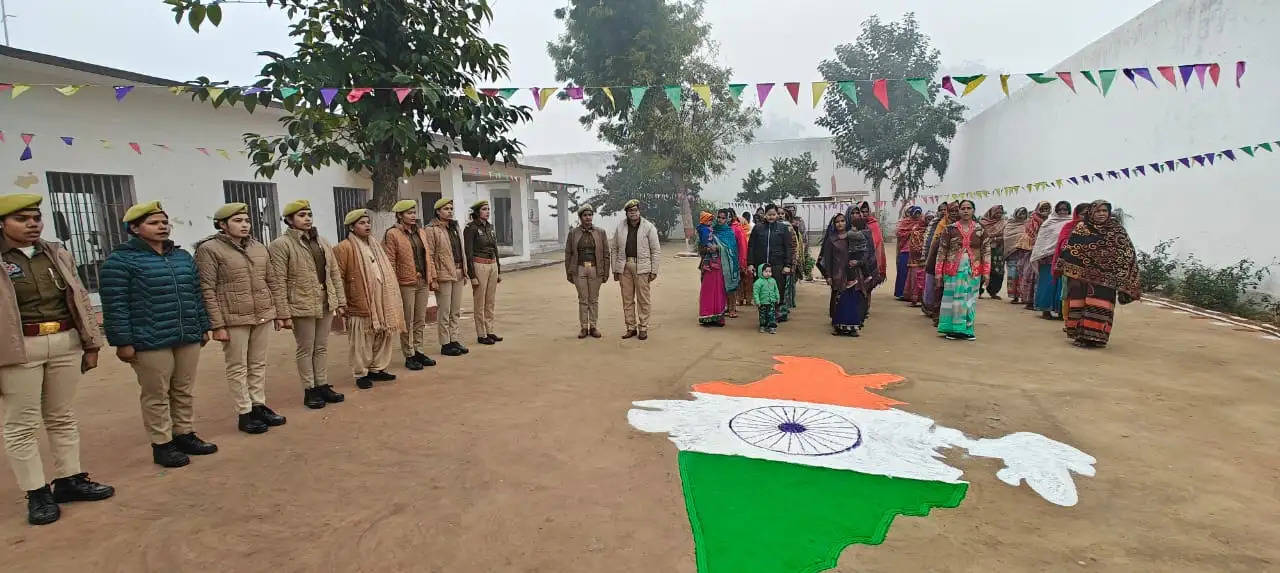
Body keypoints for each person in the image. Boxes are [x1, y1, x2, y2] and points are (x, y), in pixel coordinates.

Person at [0, 194, 114, 526]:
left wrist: (91, 343)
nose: (33, 223)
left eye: (36, 217)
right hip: (17, 348)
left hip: (64, 341)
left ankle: (69, 479)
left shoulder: (55, 253)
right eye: (22, 218)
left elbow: (77, 296)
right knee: (21, 424)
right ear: (2, 223)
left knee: (61, 415)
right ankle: (36, 492)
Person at [100, 201, 216, 468]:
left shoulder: (181, 256)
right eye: (154, 223)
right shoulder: (120, 261)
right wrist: (122, 342)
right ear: (134, 228)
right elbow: (115, 304)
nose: (162, 227)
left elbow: (195, 295)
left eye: (164, 222)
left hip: (186, 333)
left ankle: (184, 434)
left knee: (183, 388)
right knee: (156, 393)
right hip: (148, 338)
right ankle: (162, 444)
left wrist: (201, 326)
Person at [194, 203, 285, 435]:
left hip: (262, 314)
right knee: (237, 366)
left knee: (258, 363)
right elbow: (207, 289)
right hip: (233, 317)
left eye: (246, 220)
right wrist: (218, 325)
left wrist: (279, 312)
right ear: (222, 225)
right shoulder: (210, 250)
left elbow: (272, 280)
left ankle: (258, 405)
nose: (244, 225)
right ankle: (244, 412)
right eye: (237, 221)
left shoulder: (258, 247)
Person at [266, 200, 347, 410]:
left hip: (325, 299)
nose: (307, 218)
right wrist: (282, 312)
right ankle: (309, 389)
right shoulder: (281, 245)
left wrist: (340, 300)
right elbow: (278, 280)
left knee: (321, 347)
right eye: (301, 215)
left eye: (309, 214)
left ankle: (322, 384)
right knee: (306, 348)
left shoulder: (322, 241)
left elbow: (334, 273)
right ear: (290, 220)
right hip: (300, 301)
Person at [333, 209, 404, 390]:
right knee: (361, 339)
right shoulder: (344, 247)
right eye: (362, 223)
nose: (367, 226)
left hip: (382, 296)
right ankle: (361, 373)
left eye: (368, 222)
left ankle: (377, 368)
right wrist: (342, 302)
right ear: (352, 227)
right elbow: (338, 277)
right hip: (359, 299)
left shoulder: (375, 245)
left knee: (383, 333)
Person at [1056, 200, 1141, 348]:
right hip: (1082, 279)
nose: (1102, 214)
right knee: (1081, 305)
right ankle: (1080, 336)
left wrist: (1121, 274)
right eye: (1098, 211)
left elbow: (1127, 253)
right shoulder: (1081, 228)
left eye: (1105, 211)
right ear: (1091, 213)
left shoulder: (1117, 230)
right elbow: (1071, 250)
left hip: (1106, 281)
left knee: (1101, 307)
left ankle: (1098, 338)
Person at [382, 199, 438, 368]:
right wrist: (392, 286)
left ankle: (419, 350)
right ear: (400, 216)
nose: (413, 216)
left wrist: (432, 277)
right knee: (407, 320)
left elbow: (428, 255)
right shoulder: (392, 234)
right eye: (409, 213)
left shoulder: (420, 232)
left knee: (420, 319)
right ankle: (409, 354)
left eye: (414, 212)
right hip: (405, 282)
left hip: (421, 281)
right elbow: (389, 261)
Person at [934, 200, 991, 340]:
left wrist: (986, 272)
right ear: (959, 211)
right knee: (953, 299)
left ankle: (967, 330)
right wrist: (938, 272)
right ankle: (951, 329)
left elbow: (986, 251)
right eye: (963, 208)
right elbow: (942, 251)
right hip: (952, 270)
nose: (966, 211)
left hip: (973, 271)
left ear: (973, 210)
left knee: (969, 300)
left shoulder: (980, 230)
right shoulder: (950, 229)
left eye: (969, 208)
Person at [423, 198, 469, 357]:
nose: (449, 211)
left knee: (455, 310)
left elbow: (460, 250)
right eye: (446, 209)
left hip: (458, 271)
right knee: (444, 310)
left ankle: (454, 338)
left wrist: (465, 270)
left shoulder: (454, 227)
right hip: (443, 274)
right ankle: (445, 343)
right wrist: (433, 277)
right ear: (437, 211)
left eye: (451, 209)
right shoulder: (431, 229)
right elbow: (429, 254)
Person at [609, 199, 661, 340]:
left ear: (639, 211)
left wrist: (654, 270)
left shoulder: (648, 227)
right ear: (626, 213)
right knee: (627, 299)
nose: (633, 213)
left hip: (642, 266)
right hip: (624, 266)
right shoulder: (620, 227)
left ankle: (643, 327)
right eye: (630, 211)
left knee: (643, 299)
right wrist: (615, 269)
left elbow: (655, 250)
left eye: (636, 210)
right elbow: (614, 249)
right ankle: (630, 327)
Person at [817, 213, 870, 336]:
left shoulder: (853, 236)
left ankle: (853, 328)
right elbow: (828, 260)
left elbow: (863, 252)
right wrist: (828, 276)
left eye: (842, 221)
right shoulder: (831, 239)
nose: (840, 224)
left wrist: (858, 262)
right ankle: (839, 327)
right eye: (837, 222)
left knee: (853, 301)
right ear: (834, 224)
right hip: (838, 275)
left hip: (853, 274)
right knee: (839, 301)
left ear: (846, 222)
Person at [565, 205, 611, 339]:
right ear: (580, 217)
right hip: (579, 269)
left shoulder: (600, 232)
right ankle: (584, 327)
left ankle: (593, 326)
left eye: (590, 215)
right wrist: (569, 272)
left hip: (595, 269)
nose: (588, 217)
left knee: (594, 299)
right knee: (583, 299)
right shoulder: (573, 233)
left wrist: (606, 272)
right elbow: (568, 253)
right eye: (585, 215)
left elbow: (606, 254)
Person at [747, 204, 795, 322]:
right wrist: (750, 263)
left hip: (777, 265)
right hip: (761, 266)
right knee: (762, 290)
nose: (771, 217)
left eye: (774, 214)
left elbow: (788, 247)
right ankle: (764, 316)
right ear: (765, 215)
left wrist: (787, 265)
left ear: (777, 215)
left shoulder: (783, 229)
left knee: (777, 290)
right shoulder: (758, 228)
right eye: (769, 214)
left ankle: (774, 314)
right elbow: (751, 246)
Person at [465, 200, 503, 345]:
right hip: (479, 265)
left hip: (492, 264)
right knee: (479, 302)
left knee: (490, 301)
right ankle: (481, 334)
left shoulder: (490, 227)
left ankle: (490, 330)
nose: (487, 211)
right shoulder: (471, 228)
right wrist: (472, 275)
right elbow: (468, 252)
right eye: (484, 209)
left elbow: (495, 248)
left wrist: (498, 269)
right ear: (477, 212)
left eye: (488, 209)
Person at [1028, 201, 1073, 319]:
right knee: (1047, 284)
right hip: (1047, 259)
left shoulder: (1072, 223)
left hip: (1064, 258)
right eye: (1060, 209)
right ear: (1056, 210)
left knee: (1062, 286)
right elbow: (1042, 241)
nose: (1063, 212)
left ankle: (1060, 311)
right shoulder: (1048, 223)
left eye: (1065, 209)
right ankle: (1045, 310)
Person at [696, 211, 741, 326]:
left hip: (722, 268)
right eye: (719, 217)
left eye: (723, 218)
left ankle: (718, 317)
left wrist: (718, 248)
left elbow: (732, 251)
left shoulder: (729, 233)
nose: (720, 220)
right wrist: (707, 249)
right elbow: (700, 247)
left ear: (727, 219)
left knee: (719, 291)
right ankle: (706, 316)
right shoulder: (709, 230)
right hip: (709, 266)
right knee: (707, 290)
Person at [1014, 201, 1052, 308]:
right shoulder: (1032, 221)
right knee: (1029, 275)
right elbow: (1029, 236)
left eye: (1047, 209)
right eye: (1043, 208)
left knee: (1040, 277)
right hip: (1030, 253)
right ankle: (1029, 301)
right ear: (1038, 209)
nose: (1045, 211)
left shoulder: (1050, 221)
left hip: (1044, 254)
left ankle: (1037, 301)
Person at [1001, 207, 1031, 304]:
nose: (1022, 215)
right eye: (1020, 213)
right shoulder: (1010, 225)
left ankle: (1023, 296)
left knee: (1023, 276)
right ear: (1015, 214)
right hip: (1012, 255)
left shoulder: (1028, 224)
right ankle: (1014, 296)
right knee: (1012, 275)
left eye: (1023, 213)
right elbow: (1007, 238)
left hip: (1023, 255)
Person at [894, 206, 924, 300]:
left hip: (917, 251)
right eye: (916, 213)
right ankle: (901, 293)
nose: (917, 215)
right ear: (911, 213)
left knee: (915, 274)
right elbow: (899, 233)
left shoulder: (922, 223)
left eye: (919, 213)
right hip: (905, 250)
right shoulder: (905, 223)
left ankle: (913, 294)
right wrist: (911, 232)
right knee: (903, 272)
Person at [978, 205, 1007, 299]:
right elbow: (979, 235)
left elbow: (1006, 236)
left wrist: (996, 239)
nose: (998, 215)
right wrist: (991, 239)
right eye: (996, 213)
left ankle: (993, 292)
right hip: (983, 250)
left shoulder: (1004, 223)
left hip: (998, 251)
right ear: (991, 213)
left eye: (1000, 213)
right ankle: (978, 291)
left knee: (997, 272)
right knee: (981, 269)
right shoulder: (982, 223)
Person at [904, 210, 931, 306]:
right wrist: (925, 250)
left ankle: (925, 300)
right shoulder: (916, 230)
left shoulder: (934, 230)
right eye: (928, 219)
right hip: (917, 260)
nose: (930, 221)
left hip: (929, 260)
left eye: (932, 219)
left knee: (926, 281)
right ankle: (915, 299)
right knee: (916, 279)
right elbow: (914, 246)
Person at [733, 211, 753, 308]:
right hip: (738, 258)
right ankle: (740, 299)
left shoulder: (749, 231)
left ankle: (748, 299)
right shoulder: (737, 231)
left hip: (748, 258)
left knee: (748, 280)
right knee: (739, 280)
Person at [753, 264, 780, 334]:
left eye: (770, 271)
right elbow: (756, 293)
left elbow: (776, 290)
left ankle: (772, 327)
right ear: (760, 272)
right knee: (762, 315)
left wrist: (777, 297)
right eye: (766, 271)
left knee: (771, 315)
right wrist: (757, 301)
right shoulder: (758, 282)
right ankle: (763, 325)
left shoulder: (773, 280)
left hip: (771, 302)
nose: (768, 273)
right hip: (762, 303)